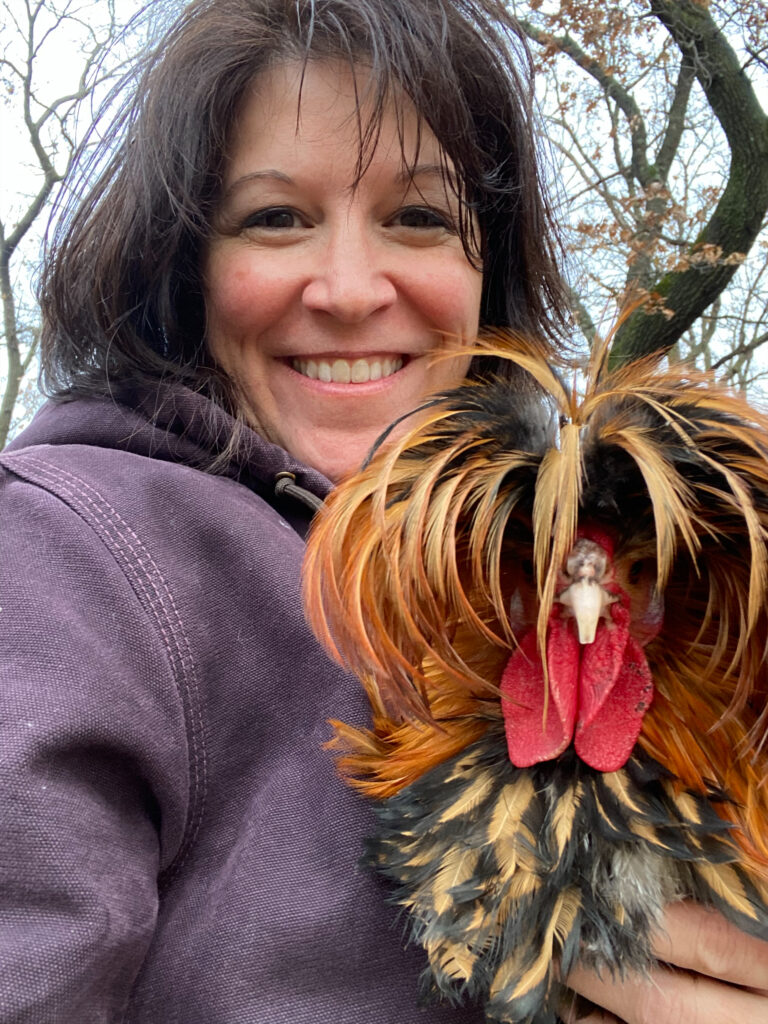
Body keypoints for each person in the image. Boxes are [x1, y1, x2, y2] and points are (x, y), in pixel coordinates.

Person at [0, 0, 766, 1021]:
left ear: (486, 268)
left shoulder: (539, 561)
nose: (352, 290)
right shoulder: (68, 551)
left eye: (419, 217)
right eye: (276, 217)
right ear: (181, 262)